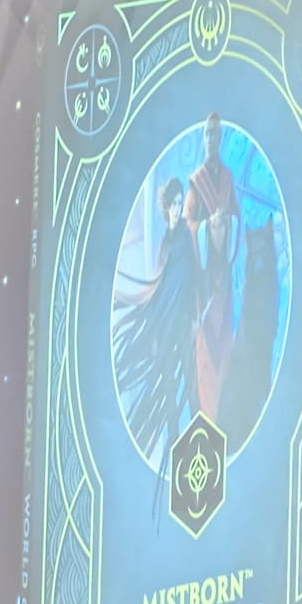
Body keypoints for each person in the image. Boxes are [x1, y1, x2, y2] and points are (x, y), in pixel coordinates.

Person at [112, 178, 201, 459]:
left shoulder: (187, 236)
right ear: (166, 208)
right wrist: (152, 333)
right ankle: (176, 446)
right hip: (164, 325)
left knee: (191, 382)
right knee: (169, 387)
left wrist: (195, 316)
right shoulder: (164, 244)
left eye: (180, 203)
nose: (177, 208)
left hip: (183, 321)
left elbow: (195, 277)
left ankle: (201, 442)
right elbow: (157, 290)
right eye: (173, 204)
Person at [185, 113, 240, 419]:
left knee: (224, 346)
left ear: (220, 138)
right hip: (204, 283)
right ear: (203, 138)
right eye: (207, 134)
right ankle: (206, 414)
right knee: (205, 349)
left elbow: (238, 218)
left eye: (215, 134)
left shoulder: (228, 179)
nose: (210, 139)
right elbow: (188, 224)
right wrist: (208, 228)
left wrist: (226, 224)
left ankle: (223, 414)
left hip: (224, 282)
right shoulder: (196, 183)